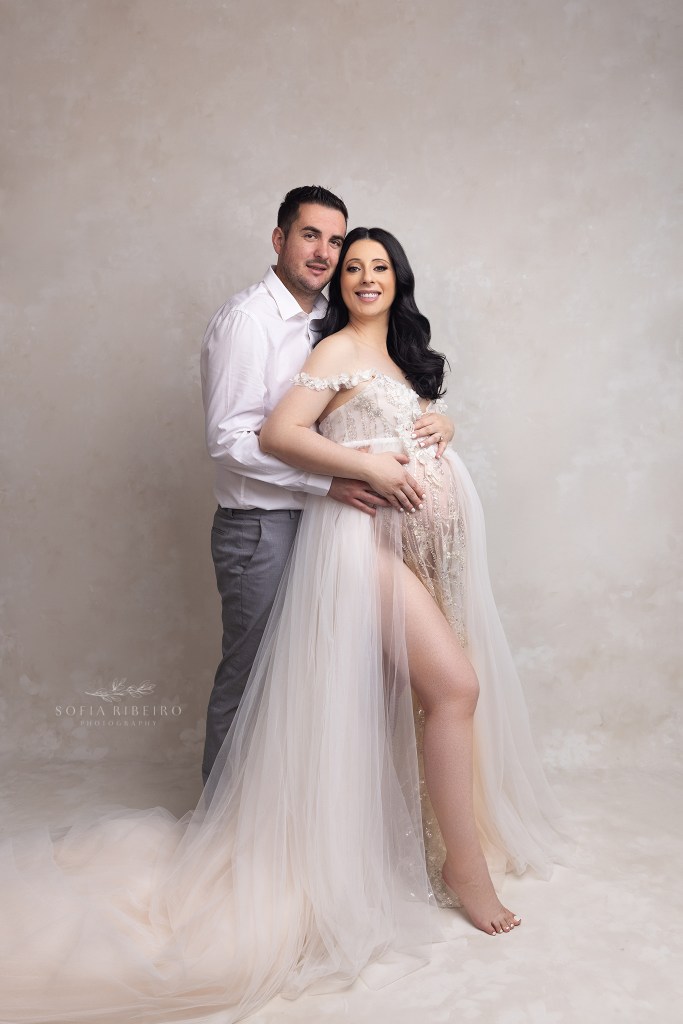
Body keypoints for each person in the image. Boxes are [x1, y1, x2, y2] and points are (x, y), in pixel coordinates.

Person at [0, 227, 564, 1024]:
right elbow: (276, 434)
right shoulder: (332, 349)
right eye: (352, 266)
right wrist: (366, 468)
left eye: (378, 266)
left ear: (399, 280)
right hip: (360, 550)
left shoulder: (396, 358)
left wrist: (444, 427)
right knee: (454, 689)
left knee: (425, 700)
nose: (363, 276)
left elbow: (394, 425)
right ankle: (464, 873)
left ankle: (423, 849)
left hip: (413, 554)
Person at [201, 186, 454, 782]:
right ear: (279, 239)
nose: (323, 252)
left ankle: (296, 810)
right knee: (251, 675)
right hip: (261, 525)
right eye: (309, 235)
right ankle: (219, 819)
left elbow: (369, 404)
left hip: (329, 526)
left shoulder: (331, 320)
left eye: (335, 240)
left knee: (311, 676)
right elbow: (229, 440)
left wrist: (443, 422)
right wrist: (329, 481)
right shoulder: (247, 322)